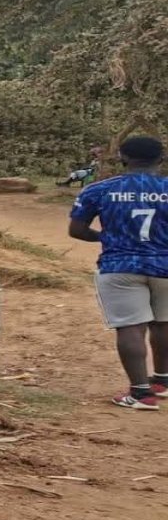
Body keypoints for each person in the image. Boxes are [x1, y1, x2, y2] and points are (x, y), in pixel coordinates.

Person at [69, 135, 168, 409]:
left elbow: (76, 230)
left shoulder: (99, 190)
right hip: (165, 265)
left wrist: (107, 238)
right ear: (161, 159)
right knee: (163, 322)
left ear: (123, 158)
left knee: (130, 327)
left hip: (120, 265)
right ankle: (162, 380)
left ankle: (140, 393)